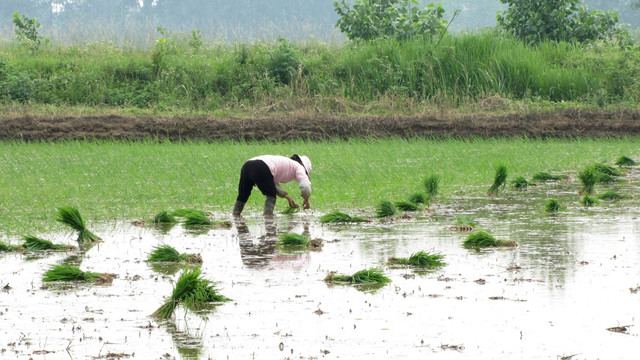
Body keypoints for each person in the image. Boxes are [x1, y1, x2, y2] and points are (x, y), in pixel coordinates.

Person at [233, 154, 312, 216]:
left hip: (247, 165)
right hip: (261, 166)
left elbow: (271, 184)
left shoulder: (285, 163)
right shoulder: (299, 167)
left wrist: (287, 197)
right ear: (302, 165)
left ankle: (235, 215)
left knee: (243, 195)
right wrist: (306, 199)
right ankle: (268, 217)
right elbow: (305, 186)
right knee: (271, 195)